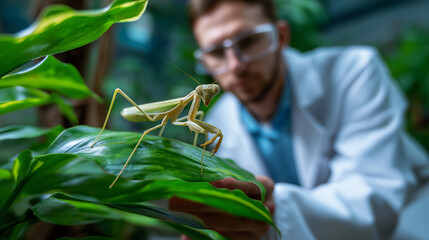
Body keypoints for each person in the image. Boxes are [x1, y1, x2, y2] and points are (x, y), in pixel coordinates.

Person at [169, 0, 429, 239]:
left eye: (248, 41)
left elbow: (374, 198)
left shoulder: (355, 73)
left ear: (281, 37)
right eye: (216, 52)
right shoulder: (217, 120)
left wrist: (273, 208)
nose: (234, 64)